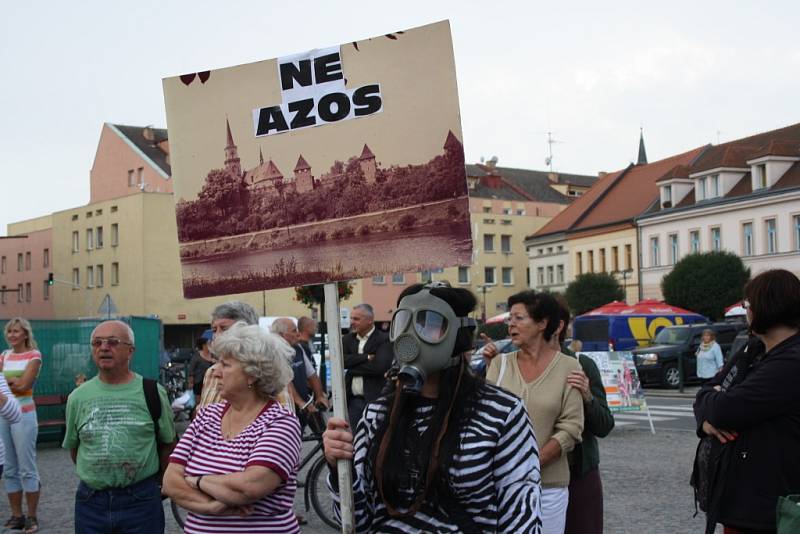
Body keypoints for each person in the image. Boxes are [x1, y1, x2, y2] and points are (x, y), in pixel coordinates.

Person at [324, 283, 543, 532]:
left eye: (429, 324)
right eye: (403, 322)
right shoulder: (378, 414)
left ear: (457, 337)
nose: (410, 336)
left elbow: (521, 517)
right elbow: (358, 520)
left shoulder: (502, 413)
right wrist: (338, 466)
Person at [163, 323, 302, 533]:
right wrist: (211, 506)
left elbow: (248, 487)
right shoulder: (206, 416)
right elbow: (170, 482)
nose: (216, 371)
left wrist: (197, 481)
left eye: (226, 365)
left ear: (253, 374)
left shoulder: (280, 422)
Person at [694, 269, 800, 534]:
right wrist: (706, 421)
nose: (746, 311)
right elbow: (705, 393)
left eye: (748, 304)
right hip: (747, 506)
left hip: (773, 512)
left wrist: (713, 411)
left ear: (766, 306)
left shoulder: (789, 362)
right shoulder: (753, 350)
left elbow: (724, 409)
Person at [483, 291, 584, 534]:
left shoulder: (569, 366)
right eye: (510, 319)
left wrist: (531, 464)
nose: (511, 325)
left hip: (548, 488)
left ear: (542, 323)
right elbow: (485, 422)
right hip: (501, 486)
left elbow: (571, 428)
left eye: (519, 318)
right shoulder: (499, 364)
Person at [63, 320, 177, 533]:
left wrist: (157, 484)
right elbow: (75, 448)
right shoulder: (77, 398)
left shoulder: (152, 392)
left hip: (141, 501)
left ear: (130, 351)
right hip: (91, 503)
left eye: (113, 342)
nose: (104, 348)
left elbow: (167, 444)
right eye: (97, 343)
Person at [554, 304, 614, 534]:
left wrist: (587, 397)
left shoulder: (582, 364)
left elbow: (604, 425)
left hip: (578, 473)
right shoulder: (513, 364)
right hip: (532, 475)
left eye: (521, 318)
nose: (512, 325)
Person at [0, 318, 43, 533]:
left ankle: (32, 516)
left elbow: (25, 384)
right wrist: (13, 382)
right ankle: (17, 515)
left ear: (25, 334)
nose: (12, 335)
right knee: (9, 468)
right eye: (9, 331)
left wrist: (6, 383)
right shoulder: (3, 356)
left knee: (27, 467)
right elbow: (17, 384)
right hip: (3, 415)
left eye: (16, 331)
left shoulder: (34, 356)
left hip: (24, 415)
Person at [197, 301, 259, 410]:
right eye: (214, 330)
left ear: (247, 330)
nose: (217, 335)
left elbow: (282, 421)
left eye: (224, 329)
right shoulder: (211, 372)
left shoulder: (267, 374)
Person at [270, 318, 330, 426]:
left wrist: (320, 396)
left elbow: (312, 374)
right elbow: (285, 381)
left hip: (303, 404)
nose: (298, 334)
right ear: (281, 335)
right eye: (293, 331)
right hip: (285, 407)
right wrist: (300, 402)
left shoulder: (298, 348)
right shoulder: (275, 351)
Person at [342, 303, 393, 426]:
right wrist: (366, 357)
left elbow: (379, 367)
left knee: (375, 439)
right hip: (353, 401)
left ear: (370, 320)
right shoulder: (347, 339)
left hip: (376, 400)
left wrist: (351, 368)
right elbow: (342, 361)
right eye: (351, 318)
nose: (352, 322)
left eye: (356, 319)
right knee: (355, 440)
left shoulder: (384, 339)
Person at [187, 333, 214, 406]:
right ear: (204, 344)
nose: (211, 344)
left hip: (211, 383)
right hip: (198, 383)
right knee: (199, 404)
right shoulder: (197, 356)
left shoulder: (214, 355)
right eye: (209, 343)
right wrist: (190, 383)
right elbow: (191, 371)